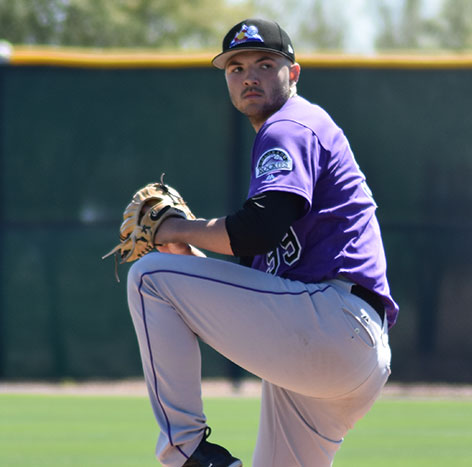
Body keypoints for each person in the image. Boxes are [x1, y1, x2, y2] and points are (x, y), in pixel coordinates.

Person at [125, 18, 398, 467]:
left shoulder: (290, 125)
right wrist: (190, 259)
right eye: (236, 68)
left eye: (264, 64)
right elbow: (255, 281)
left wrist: (174, 229)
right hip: (340, 351)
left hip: (333, 321)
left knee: (148, 278)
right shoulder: (296, 132)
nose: (249, 76)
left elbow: (257, 228)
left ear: (293, 73)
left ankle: (185, 449)